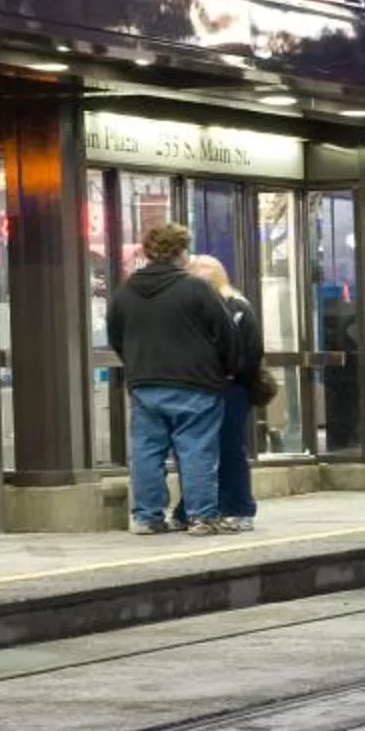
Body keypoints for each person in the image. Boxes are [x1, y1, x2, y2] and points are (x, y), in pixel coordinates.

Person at [104, 223, 237, 537]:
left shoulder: (125, 293)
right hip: (195, 385)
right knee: (196, 450)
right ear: (180, 252)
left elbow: (116, 337)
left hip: (145, 384)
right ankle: (202, 517)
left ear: (148, 252)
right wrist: (225, 369)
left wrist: (138, 366)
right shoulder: (196, 289)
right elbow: (226, 334)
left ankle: (147, 517)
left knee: (146, 452)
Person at [192, 257, 265, 533]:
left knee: (230, 448)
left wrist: (232, 373)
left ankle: (239, 507)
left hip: (232, 388)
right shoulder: (196, 310)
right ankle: (204, 508)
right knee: (200, 451)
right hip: (205, 386)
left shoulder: (238, 307)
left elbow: (252, 351)